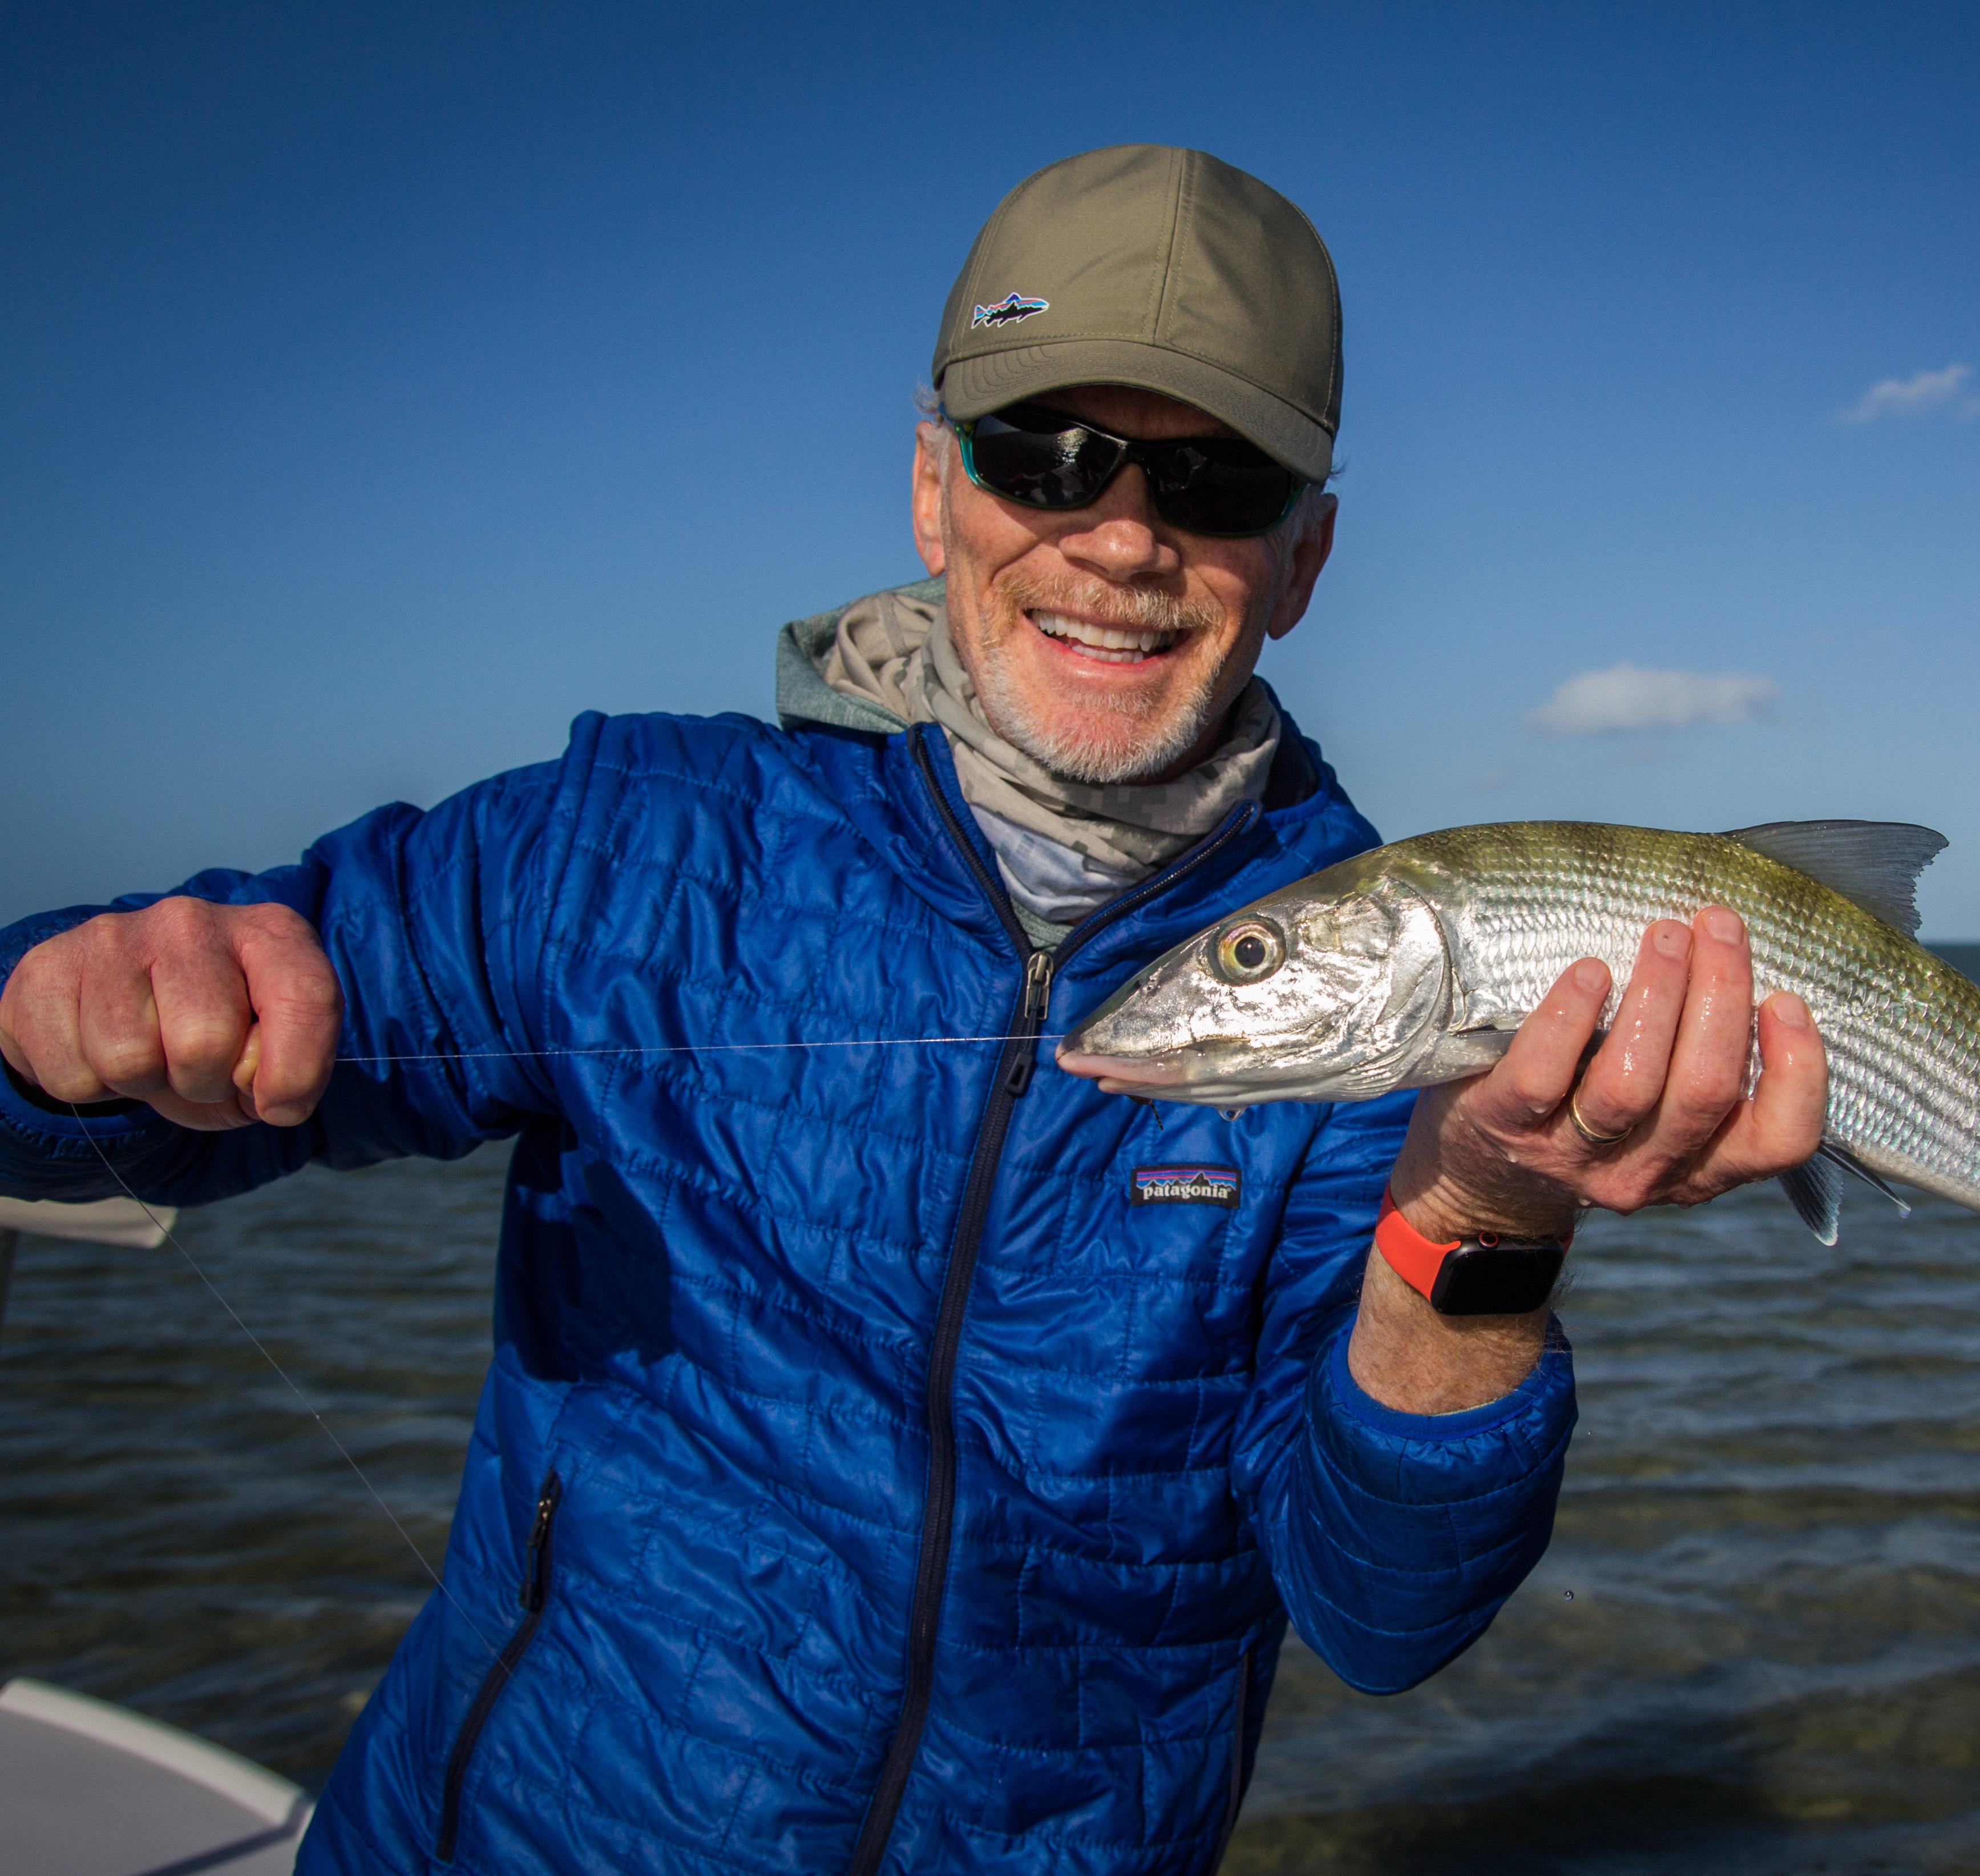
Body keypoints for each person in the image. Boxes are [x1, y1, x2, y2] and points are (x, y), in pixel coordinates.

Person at [0, 145, 1825, 1874]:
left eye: (1213, 484)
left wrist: (1483, 1223)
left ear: (1305, 558)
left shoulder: (1397, 1006)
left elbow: (1385, 1610)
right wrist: (59, 1025)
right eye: (1052, 453)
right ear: (935, 487)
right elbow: (119, 1085)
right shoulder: (627, 840)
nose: (1122, 539)